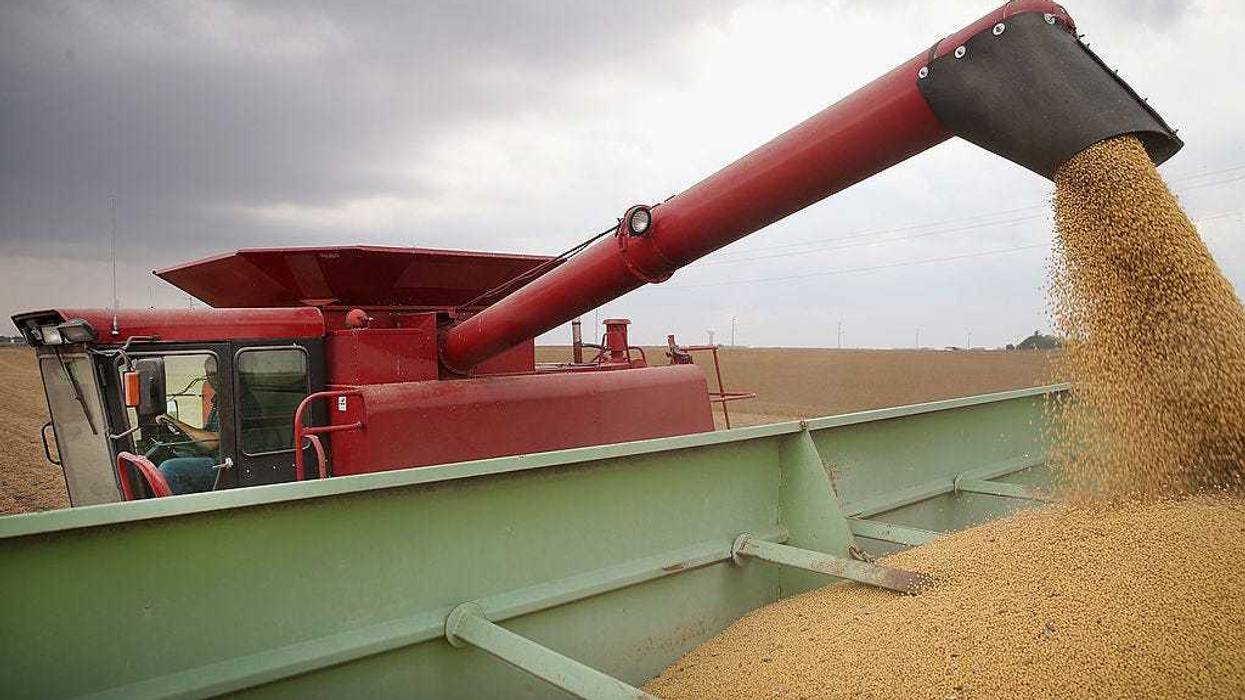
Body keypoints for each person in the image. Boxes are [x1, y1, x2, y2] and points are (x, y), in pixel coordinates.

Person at [156, 356, 221, 495]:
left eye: (214, 374)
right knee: (171, 456)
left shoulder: (237, 399)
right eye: (208, 374)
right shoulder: (220, 399)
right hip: (218, 456)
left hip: (228, 464)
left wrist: (173, 421)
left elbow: (212, 442)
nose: (211, 379)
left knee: (170, 469)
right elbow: (209, 433)